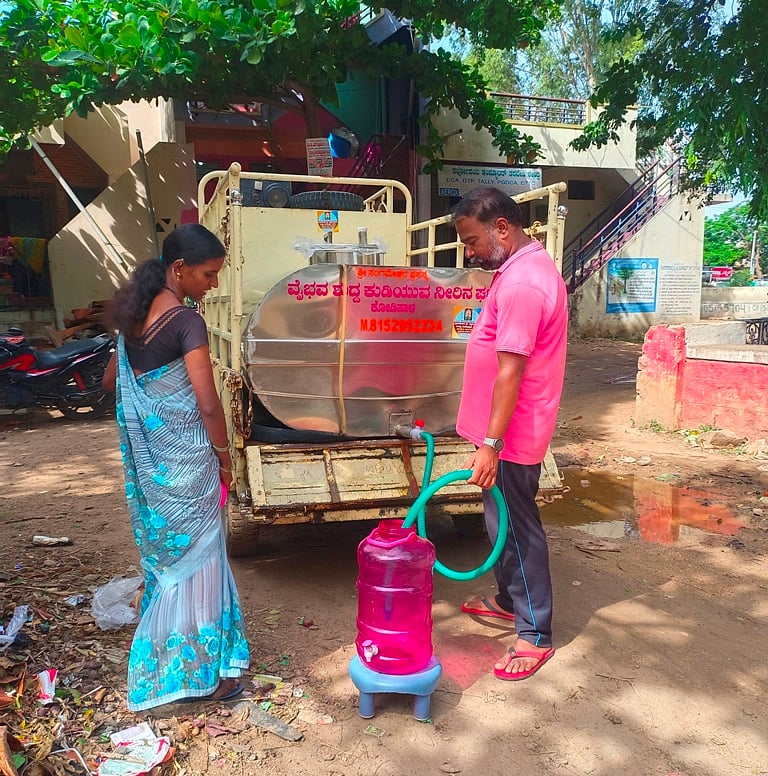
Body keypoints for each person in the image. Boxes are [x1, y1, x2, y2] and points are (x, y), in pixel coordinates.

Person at [102, 223, 250, 711]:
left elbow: (111, 382)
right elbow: (207, 404)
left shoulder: (133, 317)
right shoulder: (187, 322)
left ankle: (168, 661)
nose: (213, 284)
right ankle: (202, 673)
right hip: (189, 465)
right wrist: (225, 457)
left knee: (171, 565)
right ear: (180, 269)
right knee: (202, 564)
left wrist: (152, 399)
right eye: (208, 274)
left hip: (154, 468)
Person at [450, 187, 568, 681]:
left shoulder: (523, 283)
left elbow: (510, 372)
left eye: (472, 241)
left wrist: (491, 445)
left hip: (512, 435)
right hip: (502, 433)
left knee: (517, 529)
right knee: (501, 522)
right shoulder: (517, 270)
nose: (469, 253)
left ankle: (534, 633)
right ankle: (508, 599)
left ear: (502, 227)